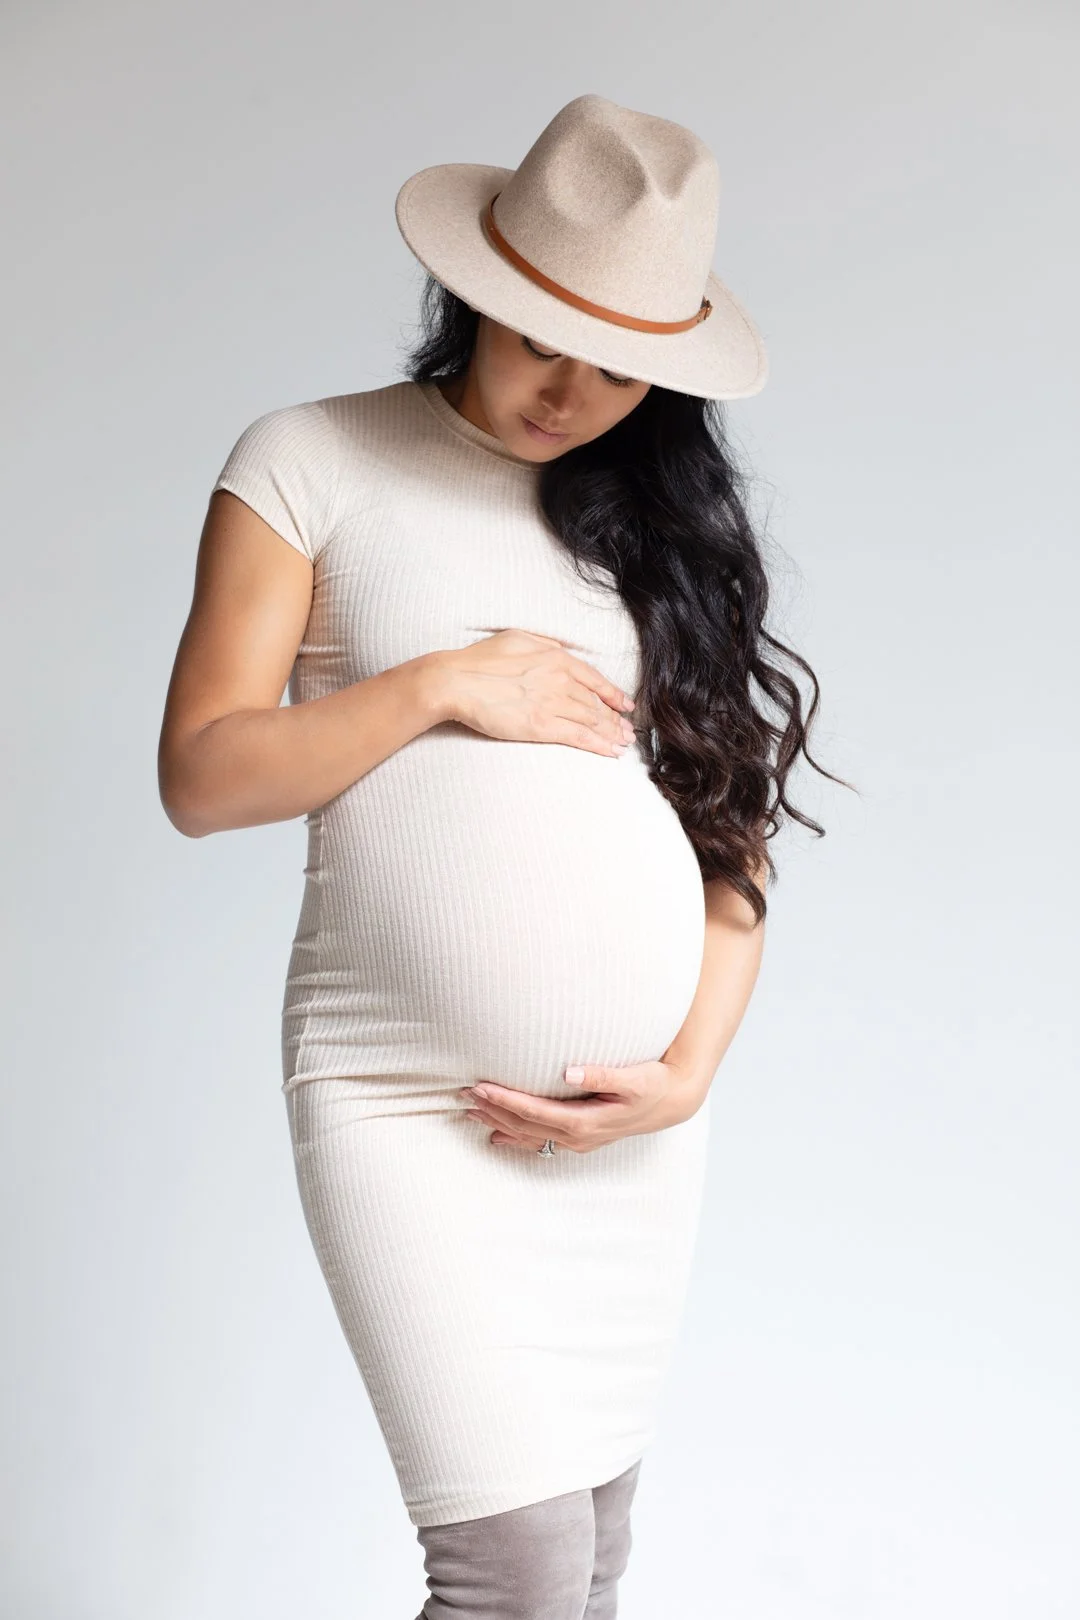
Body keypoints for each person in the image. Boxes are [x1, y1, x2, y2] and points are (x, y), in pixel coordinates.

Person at [158, 93, 837, 1620]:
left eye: (618, 368)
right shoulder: (311, 461)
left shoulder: (650, 527)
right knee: (513, 1569)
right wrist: (437, 685)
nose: (573, 394)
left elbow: (730, 842)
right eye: (545, 344)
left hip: (626, 1138)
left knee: (591, 1555)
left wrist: (690, 1071)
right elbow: (201, 775)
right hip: (402, 1096)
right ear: (476, 292)